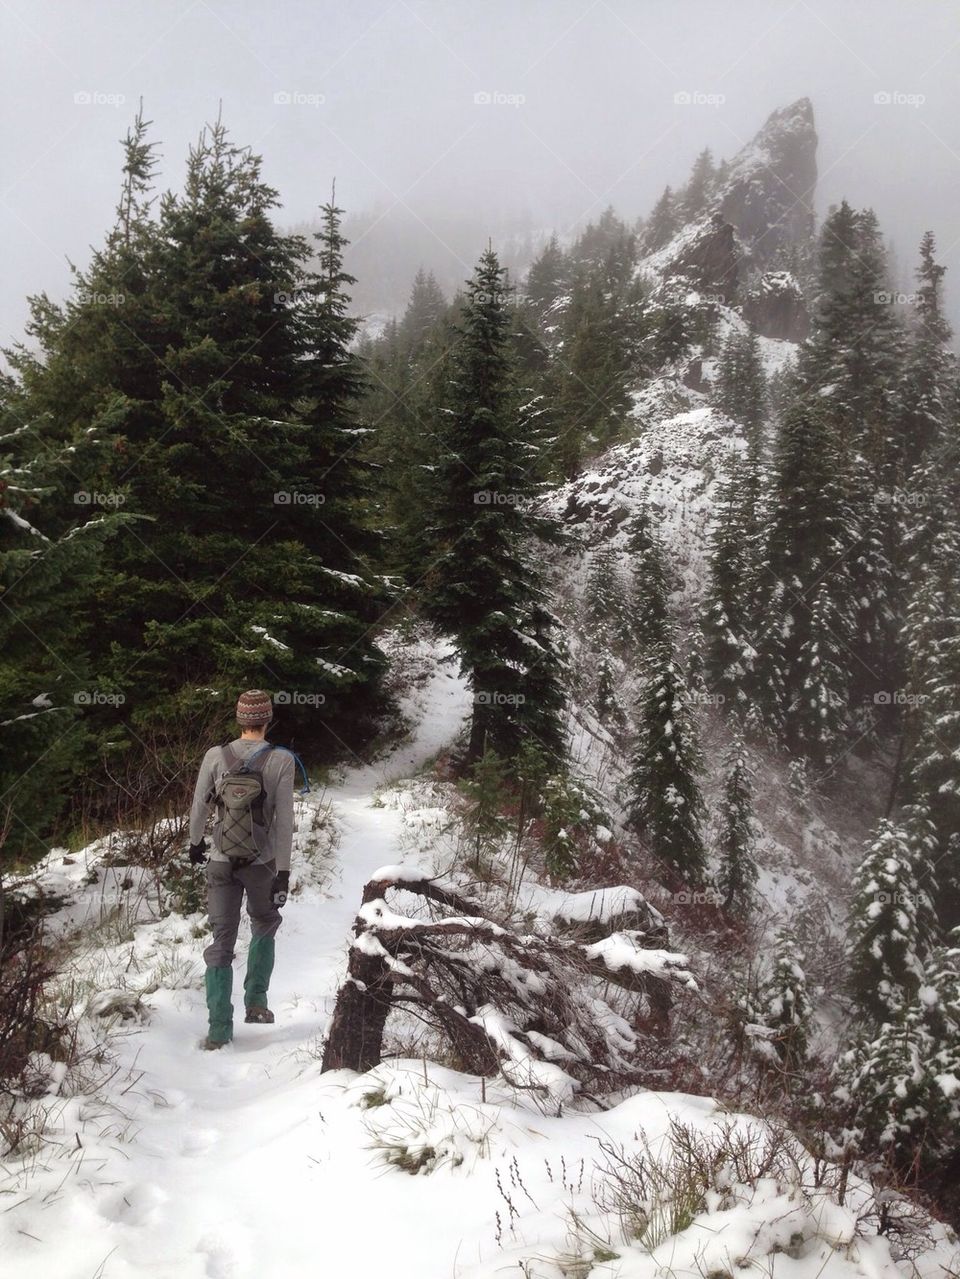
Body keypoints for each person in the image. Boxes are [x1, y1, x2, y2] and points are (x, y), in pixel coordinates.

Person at [188, 689, 295, 1050]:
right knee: (265, 920)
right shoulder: (282, 760)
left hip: (219, 860)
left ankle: (219, 1029)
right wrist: (283, 871)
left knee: (221, 940)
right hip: (261, 863)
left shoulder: (215, 756)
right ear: (267, 720)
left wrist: (195, 843)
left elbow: (199, 807)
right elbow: (284, 821)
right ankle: (257, 1002)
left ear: (239, 720)